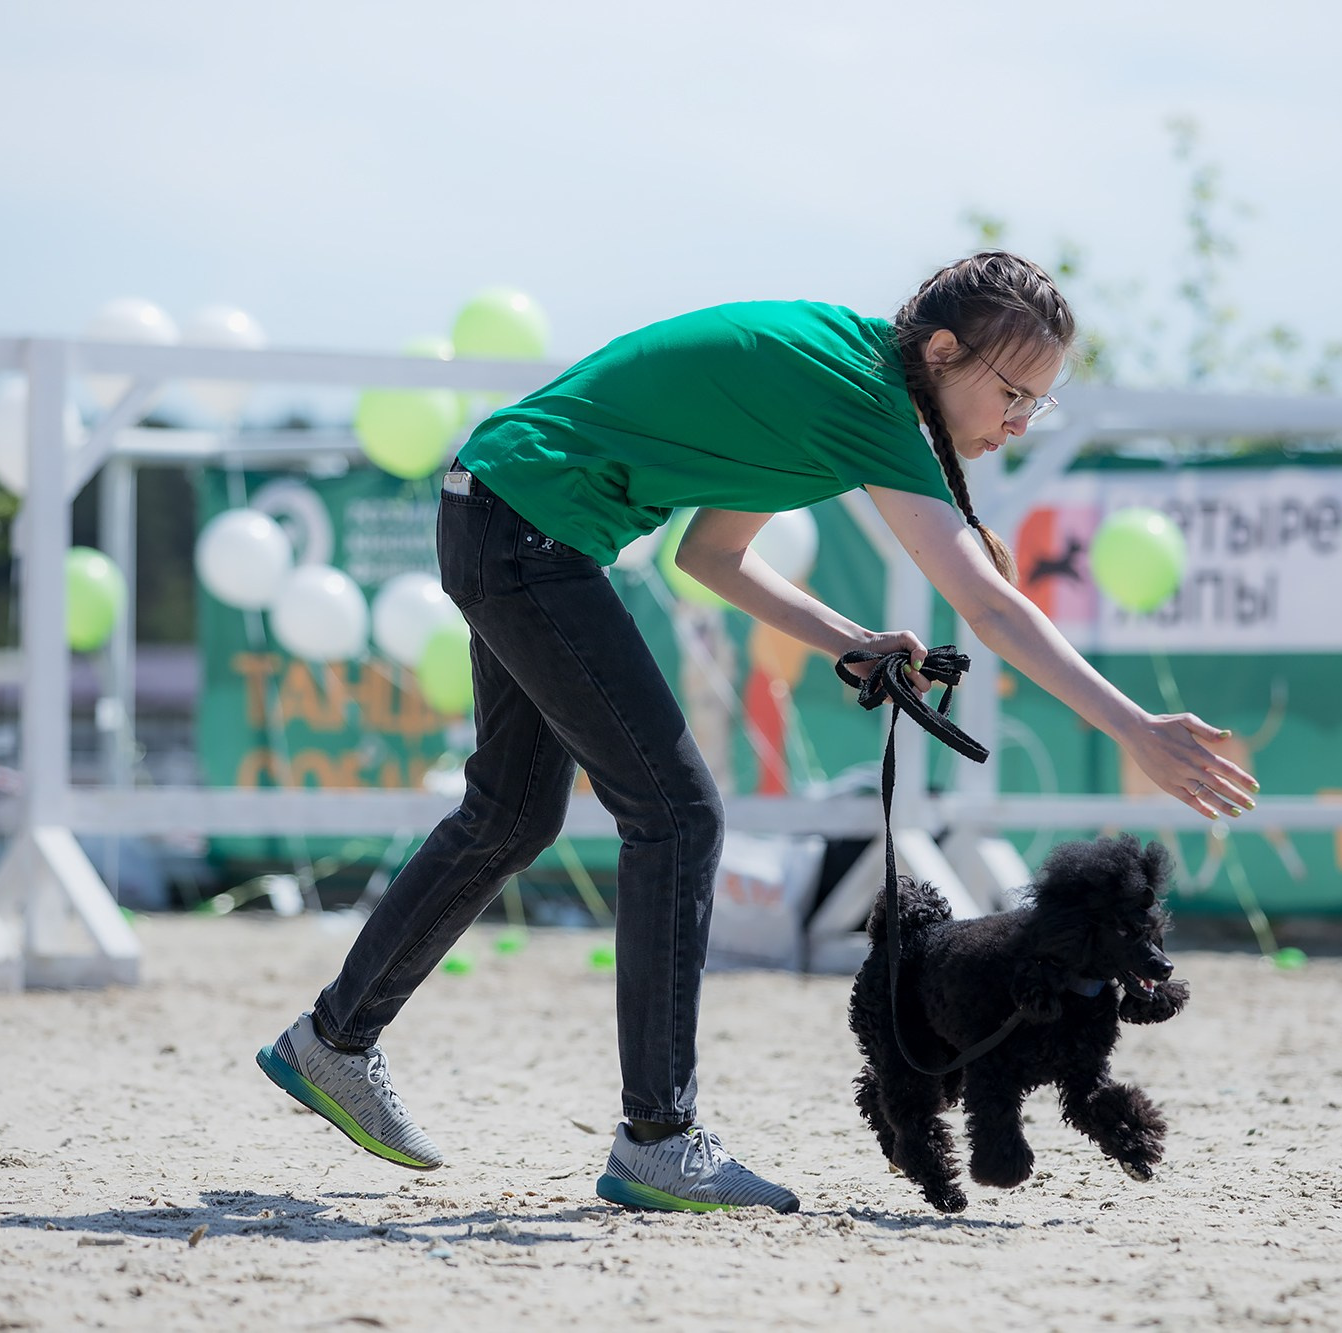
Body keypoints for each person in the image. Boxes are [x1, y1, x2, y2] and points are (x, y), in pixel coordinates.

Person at [256, 251, 1259, 1214]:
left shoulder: (846, 380)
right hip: (524, 531)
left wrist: (850, 640)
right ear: (944, 352)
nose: (1018, 421)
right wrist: (1132, 726)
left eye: (1038, 402)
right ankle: (658, 1137)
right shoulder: (865, 398)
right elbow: (990, 610)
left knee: (514, 811)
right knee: (677, 813)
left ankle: (333, 1041)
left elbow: (711, 553)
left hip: (503, 514)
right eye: (1011, 393)